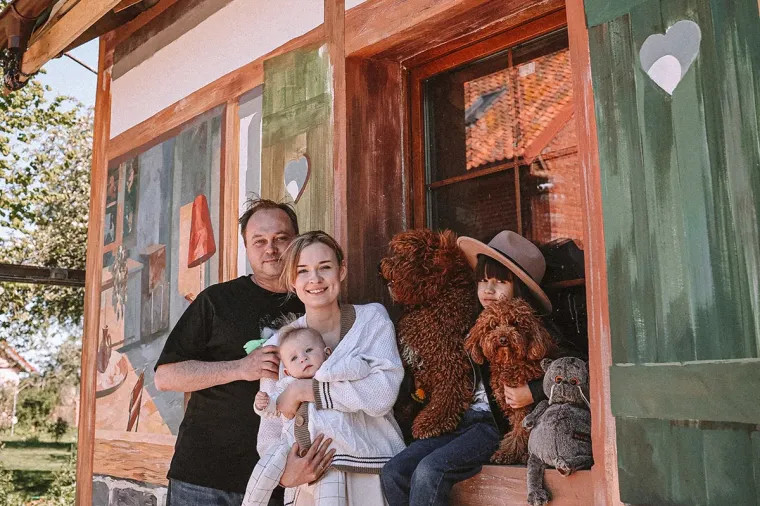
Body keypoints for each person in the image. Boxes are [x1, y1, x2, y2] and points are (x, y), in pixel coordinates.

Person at [154, 198, 330, 506]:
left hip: (282, 478)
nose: (270, 249)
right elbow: (165, 377)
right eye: (259, 241)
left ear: (296, 241)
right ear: (247, 247)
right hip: (203, 477)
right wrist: (239, 368)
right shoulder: (216, 301)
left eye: (280, 238)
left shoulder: (314, 302)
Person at [253, 230, 405, 506]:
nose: (315, 279)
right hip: (308, 485)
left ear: (341, 271)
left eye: (325, 267)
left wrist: (303, 390)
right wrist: (286, 475)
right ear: (292, 280)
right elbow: (269, 431)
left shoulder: (371, 320)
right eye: (303, 271)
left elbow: (382, 394)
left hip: (372, 474)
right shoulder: (279, 345)